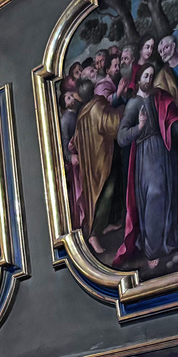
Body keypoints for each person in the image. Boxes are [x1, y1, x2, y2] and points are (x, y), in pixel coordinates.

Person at [115, 65, 178, 270]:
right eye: (145, 76)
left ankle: (170, 239)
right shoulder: (134, 104)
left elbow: (171, 126)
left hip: (165, 152)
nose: (148, 79)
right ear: (138, 79)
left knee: (169, 194)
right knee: (154, 196)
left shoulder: (158, 98)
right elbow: (121, 137)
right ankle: (152, 250)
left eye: (151, 76)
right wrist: (139, 127)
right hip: (146, 154)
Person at [67, 79, 121, 252]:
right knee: (105, 193)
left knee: (102, 193)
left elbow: (75, 140)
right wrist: (123, 109)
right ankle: (93, 234)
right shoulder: (97, 107)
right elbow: (112, 125)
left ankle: (106, 225)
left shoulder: (84, 111)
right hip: (101, 159)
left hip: (92, 161)